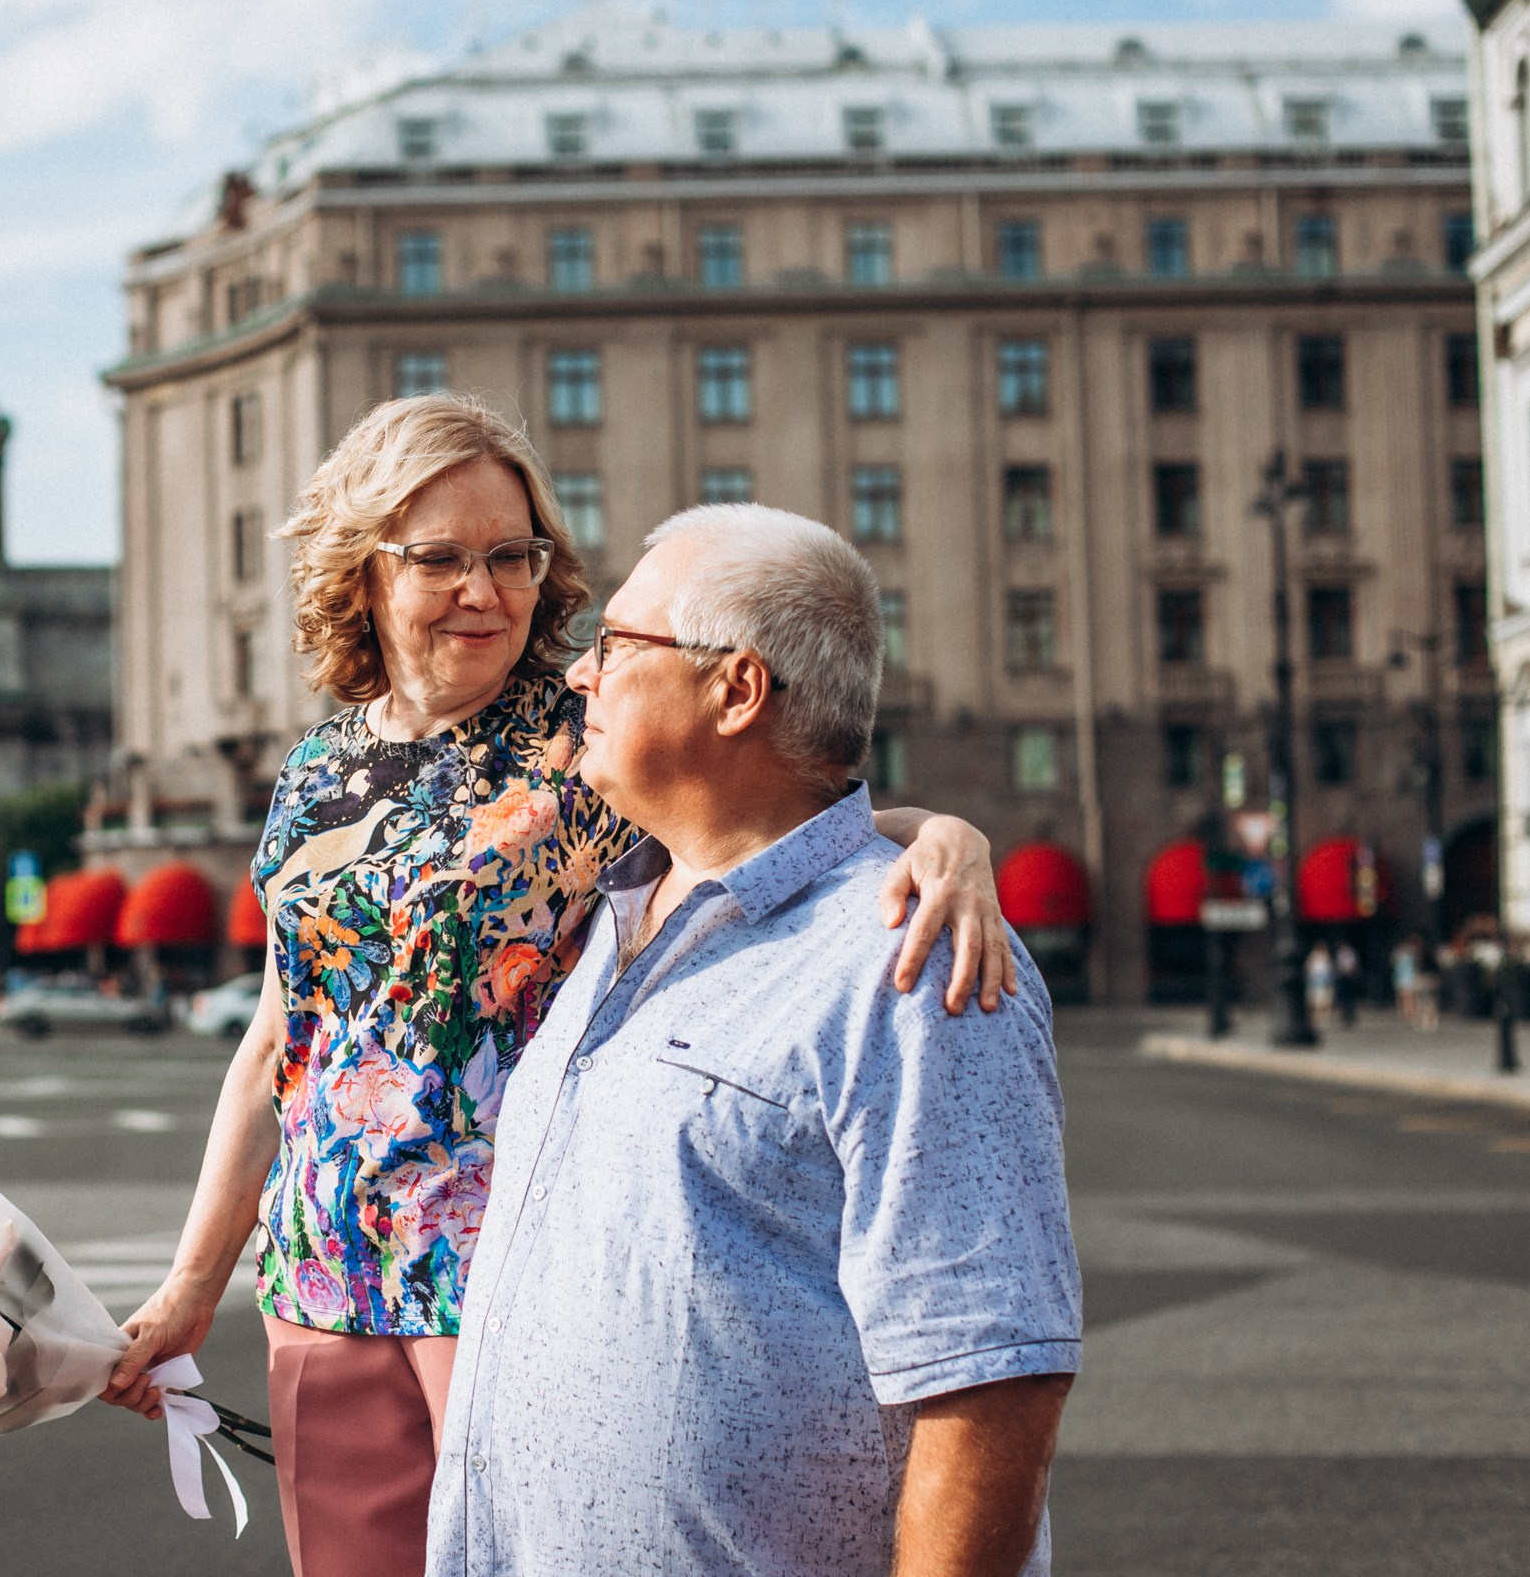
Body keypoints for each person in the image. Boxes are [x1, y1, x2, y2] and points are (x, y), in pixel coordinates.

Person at [98, 397, 1017, 1577]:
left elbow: (773, 816)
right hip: (320, 1277)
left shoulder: (587, 736)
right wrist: (190, 1288)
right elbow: (283, 1039)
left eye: (512, 555)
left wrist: (944, 836)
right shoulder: (316, 770)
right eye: (441, 559)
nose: (483, 591)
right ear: (364, 568)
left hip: (519, 1278)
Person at [428, 504, 1079, 1577]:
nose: (582, 674)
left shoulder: (914, 961)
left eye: (617, 645)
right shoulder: (609, 912)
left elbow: (990, 1386)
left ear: (736, 689)